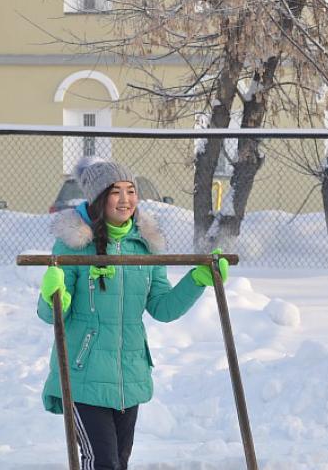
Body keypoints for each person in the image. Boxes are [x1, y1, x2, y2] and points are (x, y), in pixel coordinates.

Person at [37, 157, 229, 470]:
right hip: (83, 372)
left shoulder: (146, 246)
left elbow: (163, 308)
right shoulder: (72, 246)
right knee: (102, 462)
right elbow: (51, 316)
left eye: (131, 190)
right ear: (99, 198)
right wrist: (53, 295)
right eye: (116, 192)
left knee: (120, 463)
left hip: (129, 372)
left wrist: (198, 280)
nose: (126, 199)